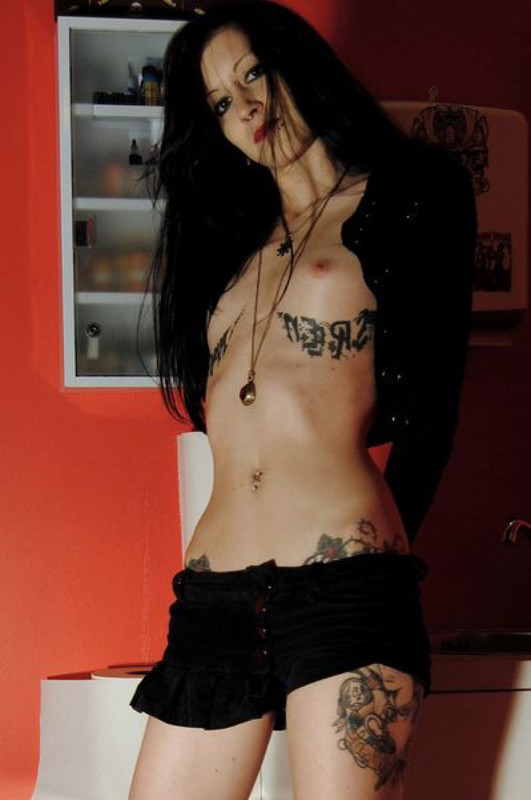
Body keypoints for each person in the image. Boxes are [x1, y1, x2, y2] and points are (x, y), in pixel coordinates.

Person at [128, 2, 478, 798]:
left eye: (254, 72)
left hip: (343, 586)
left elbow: (433, 417)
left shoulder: (408, 197)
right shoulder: (228, 244)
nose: (246, 107)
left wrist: (377, 565)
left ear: (298, 65)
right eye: (221, 101)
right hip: (214, 600)